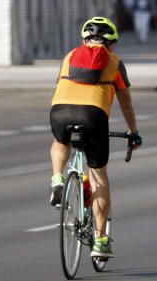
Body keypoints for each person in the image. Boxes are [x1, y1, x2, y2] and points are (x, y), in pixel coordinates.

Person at [48, 16, 142, 259]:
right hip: (93, 115)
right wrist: (133, 131)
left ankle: (58, 177)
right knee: (99, 176)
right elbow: (126, 105)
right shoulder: (115, 62)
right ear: (111, 44)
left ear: (84, 40)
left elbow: (60, 85)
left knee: (60, 142)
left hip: (59, 111)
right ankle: (100, 240)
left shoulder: (69, 56)